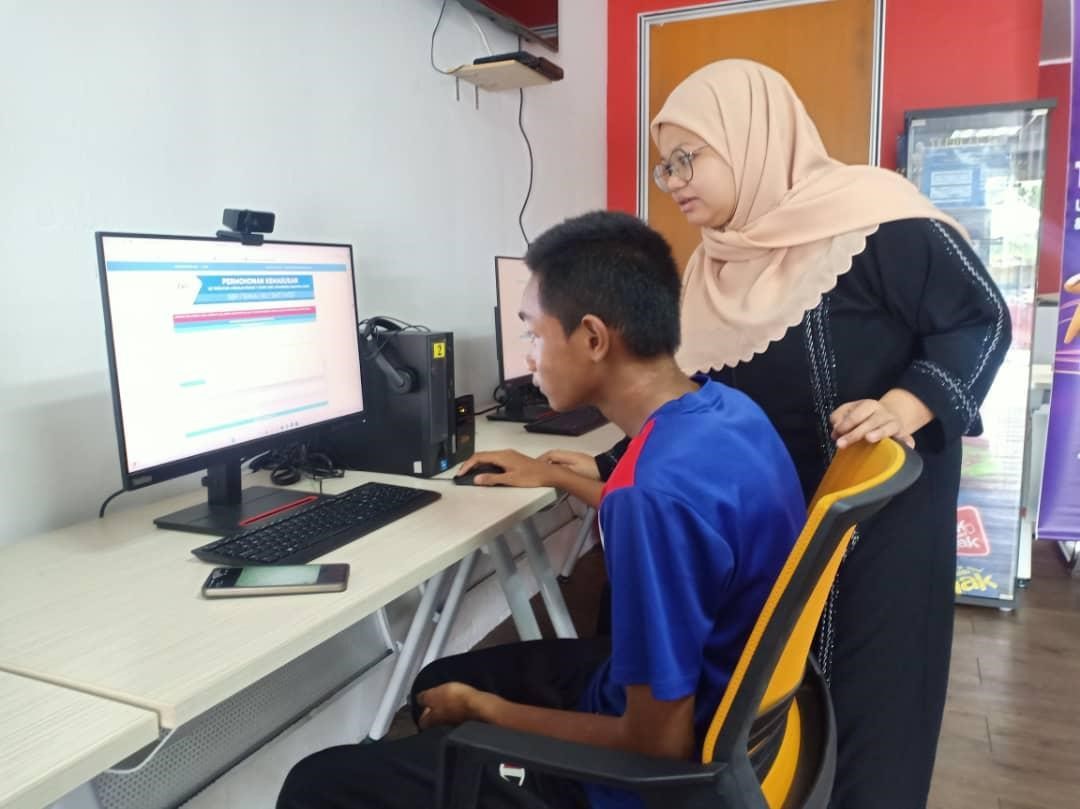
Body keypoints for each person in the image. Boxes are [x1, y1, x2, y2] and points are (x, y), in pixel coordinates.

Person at [482, 61, 1010, 809]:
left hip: (880, 530)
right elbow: (695, 402)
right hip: (779, 525)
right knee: (773, 714)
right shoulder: (714, 266)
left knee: (872, 721)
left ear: (750, 135)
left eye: (687, 157)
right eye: (664, 165)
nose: (673, 181)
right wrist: (605, 462)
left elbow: (980, 319)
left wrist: (905, 406)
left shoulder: (880, 223)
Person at [277, 210, 806, 809]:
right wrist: (555, 475)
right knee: (436, 682)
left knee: (318, 783)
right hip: (731, 705)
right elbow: (679, 520)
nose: (528, 357)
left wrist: (490, 712)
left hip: (637, 779)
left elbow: (656, 746)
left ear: (593, 339)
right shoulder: (724, 412)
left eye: (533, 333)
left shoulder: (648, 499)